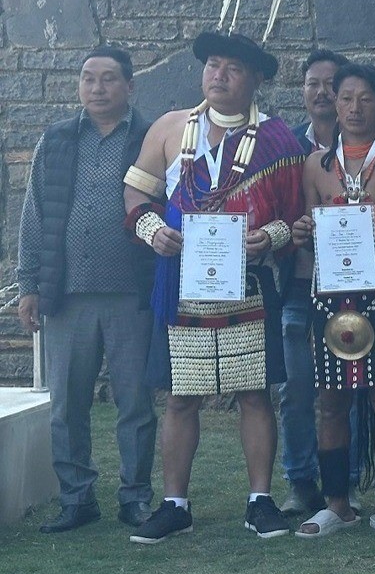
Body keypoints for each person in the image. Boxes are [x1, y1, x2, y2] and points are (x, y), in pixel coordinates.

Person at [121, 31, 306, 543]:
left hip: (248, 281)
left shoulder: (278, 140)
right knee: (181, 396)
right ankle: (175, 503)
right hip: (181, 282)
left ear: (255, 80)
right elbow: (137, 192)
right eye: (213, 65)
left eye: (233, 69)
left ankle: (260, 500)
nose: (219, 76)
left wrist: (264, 237)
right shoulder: (170, 128)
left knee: (254, 393)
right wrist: (152, 230)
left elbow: (296, 220)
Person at [17, 46, 157, 532]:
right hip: (68, 295)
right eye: (88, 79)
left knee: (135, 402)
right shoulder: (55, 141)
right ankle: (76, 498)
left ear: (130, 86)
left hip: (131, 294)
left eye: (108, 80)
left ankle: (136, 496)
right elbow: (34, 216)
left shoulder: (149, 137)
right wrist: (29, 284)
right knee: (67, 404)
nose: (97, 89)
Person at [290, 63, 375, 539]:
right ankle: (336, 504)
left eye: (364, 99)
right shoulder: (315, 166)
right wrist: (302, 231)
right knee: (330, 402)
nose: (353, 108)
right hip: (329, 291)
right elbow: (304, 231)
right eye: (345, 98)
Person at [278, 48, 350, 517]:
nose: (322, 92)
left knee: (349, 389)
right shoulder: (283, 147)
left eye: (332, 84)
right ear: (302, 91)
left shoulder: (370, 146)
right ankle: (300, 481)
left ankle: (344, 482)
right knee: (297, 389)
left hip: (352, 288)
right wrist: (290, 229)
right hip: (299, 286)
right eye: (313, 83)